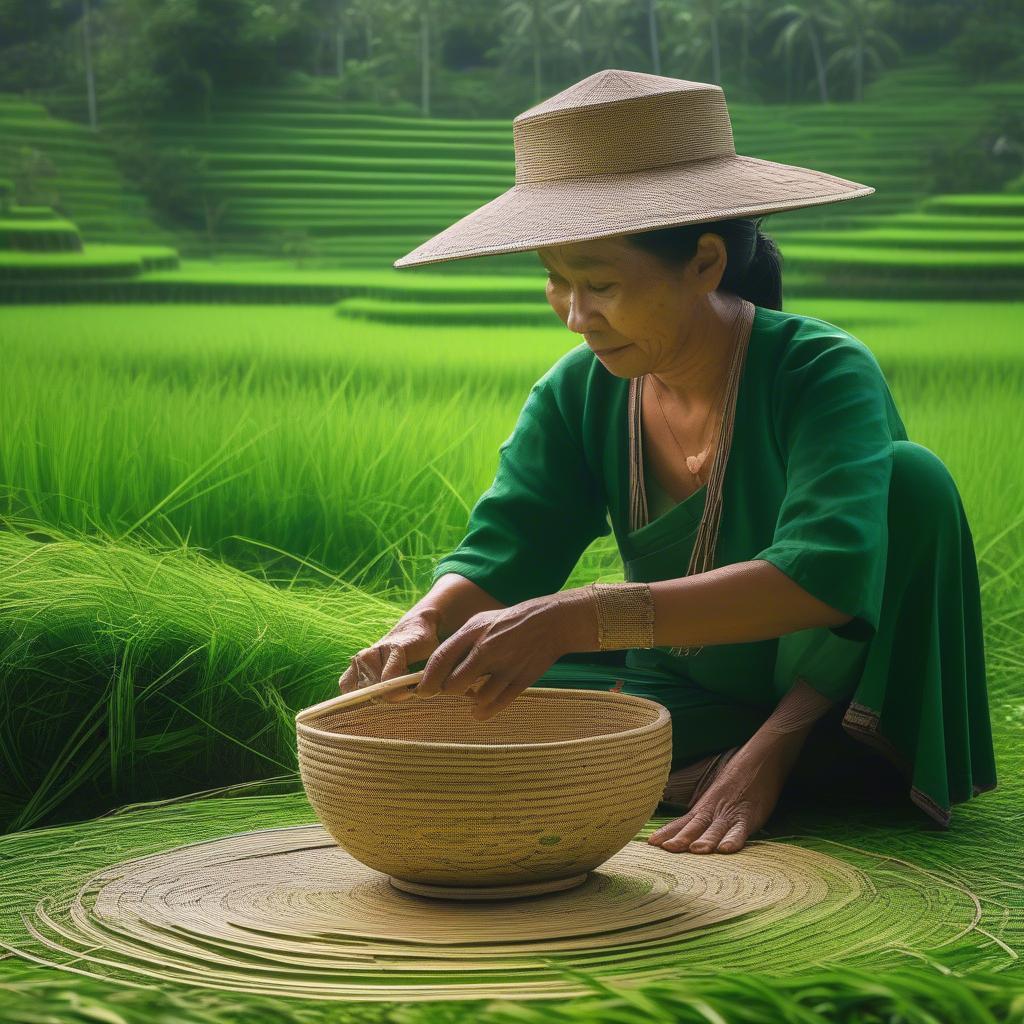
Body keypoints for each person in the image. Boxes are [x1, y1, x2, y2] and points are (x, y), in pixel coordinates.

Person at [338, 70, 996, 855]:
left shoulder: (820, 371)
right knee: (446, 701)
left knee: (911, 480)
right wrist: (427, 620)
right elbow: (507, 544)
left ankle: (794, 755)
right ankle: (698, 757)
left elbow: (825, 576)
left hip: (828, 692)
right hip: (681, 683)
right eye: (555, 278)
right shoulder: (579, 390)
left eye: (601, 283)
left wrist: (764, 739)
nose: (576, 315)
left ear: (706, 262)